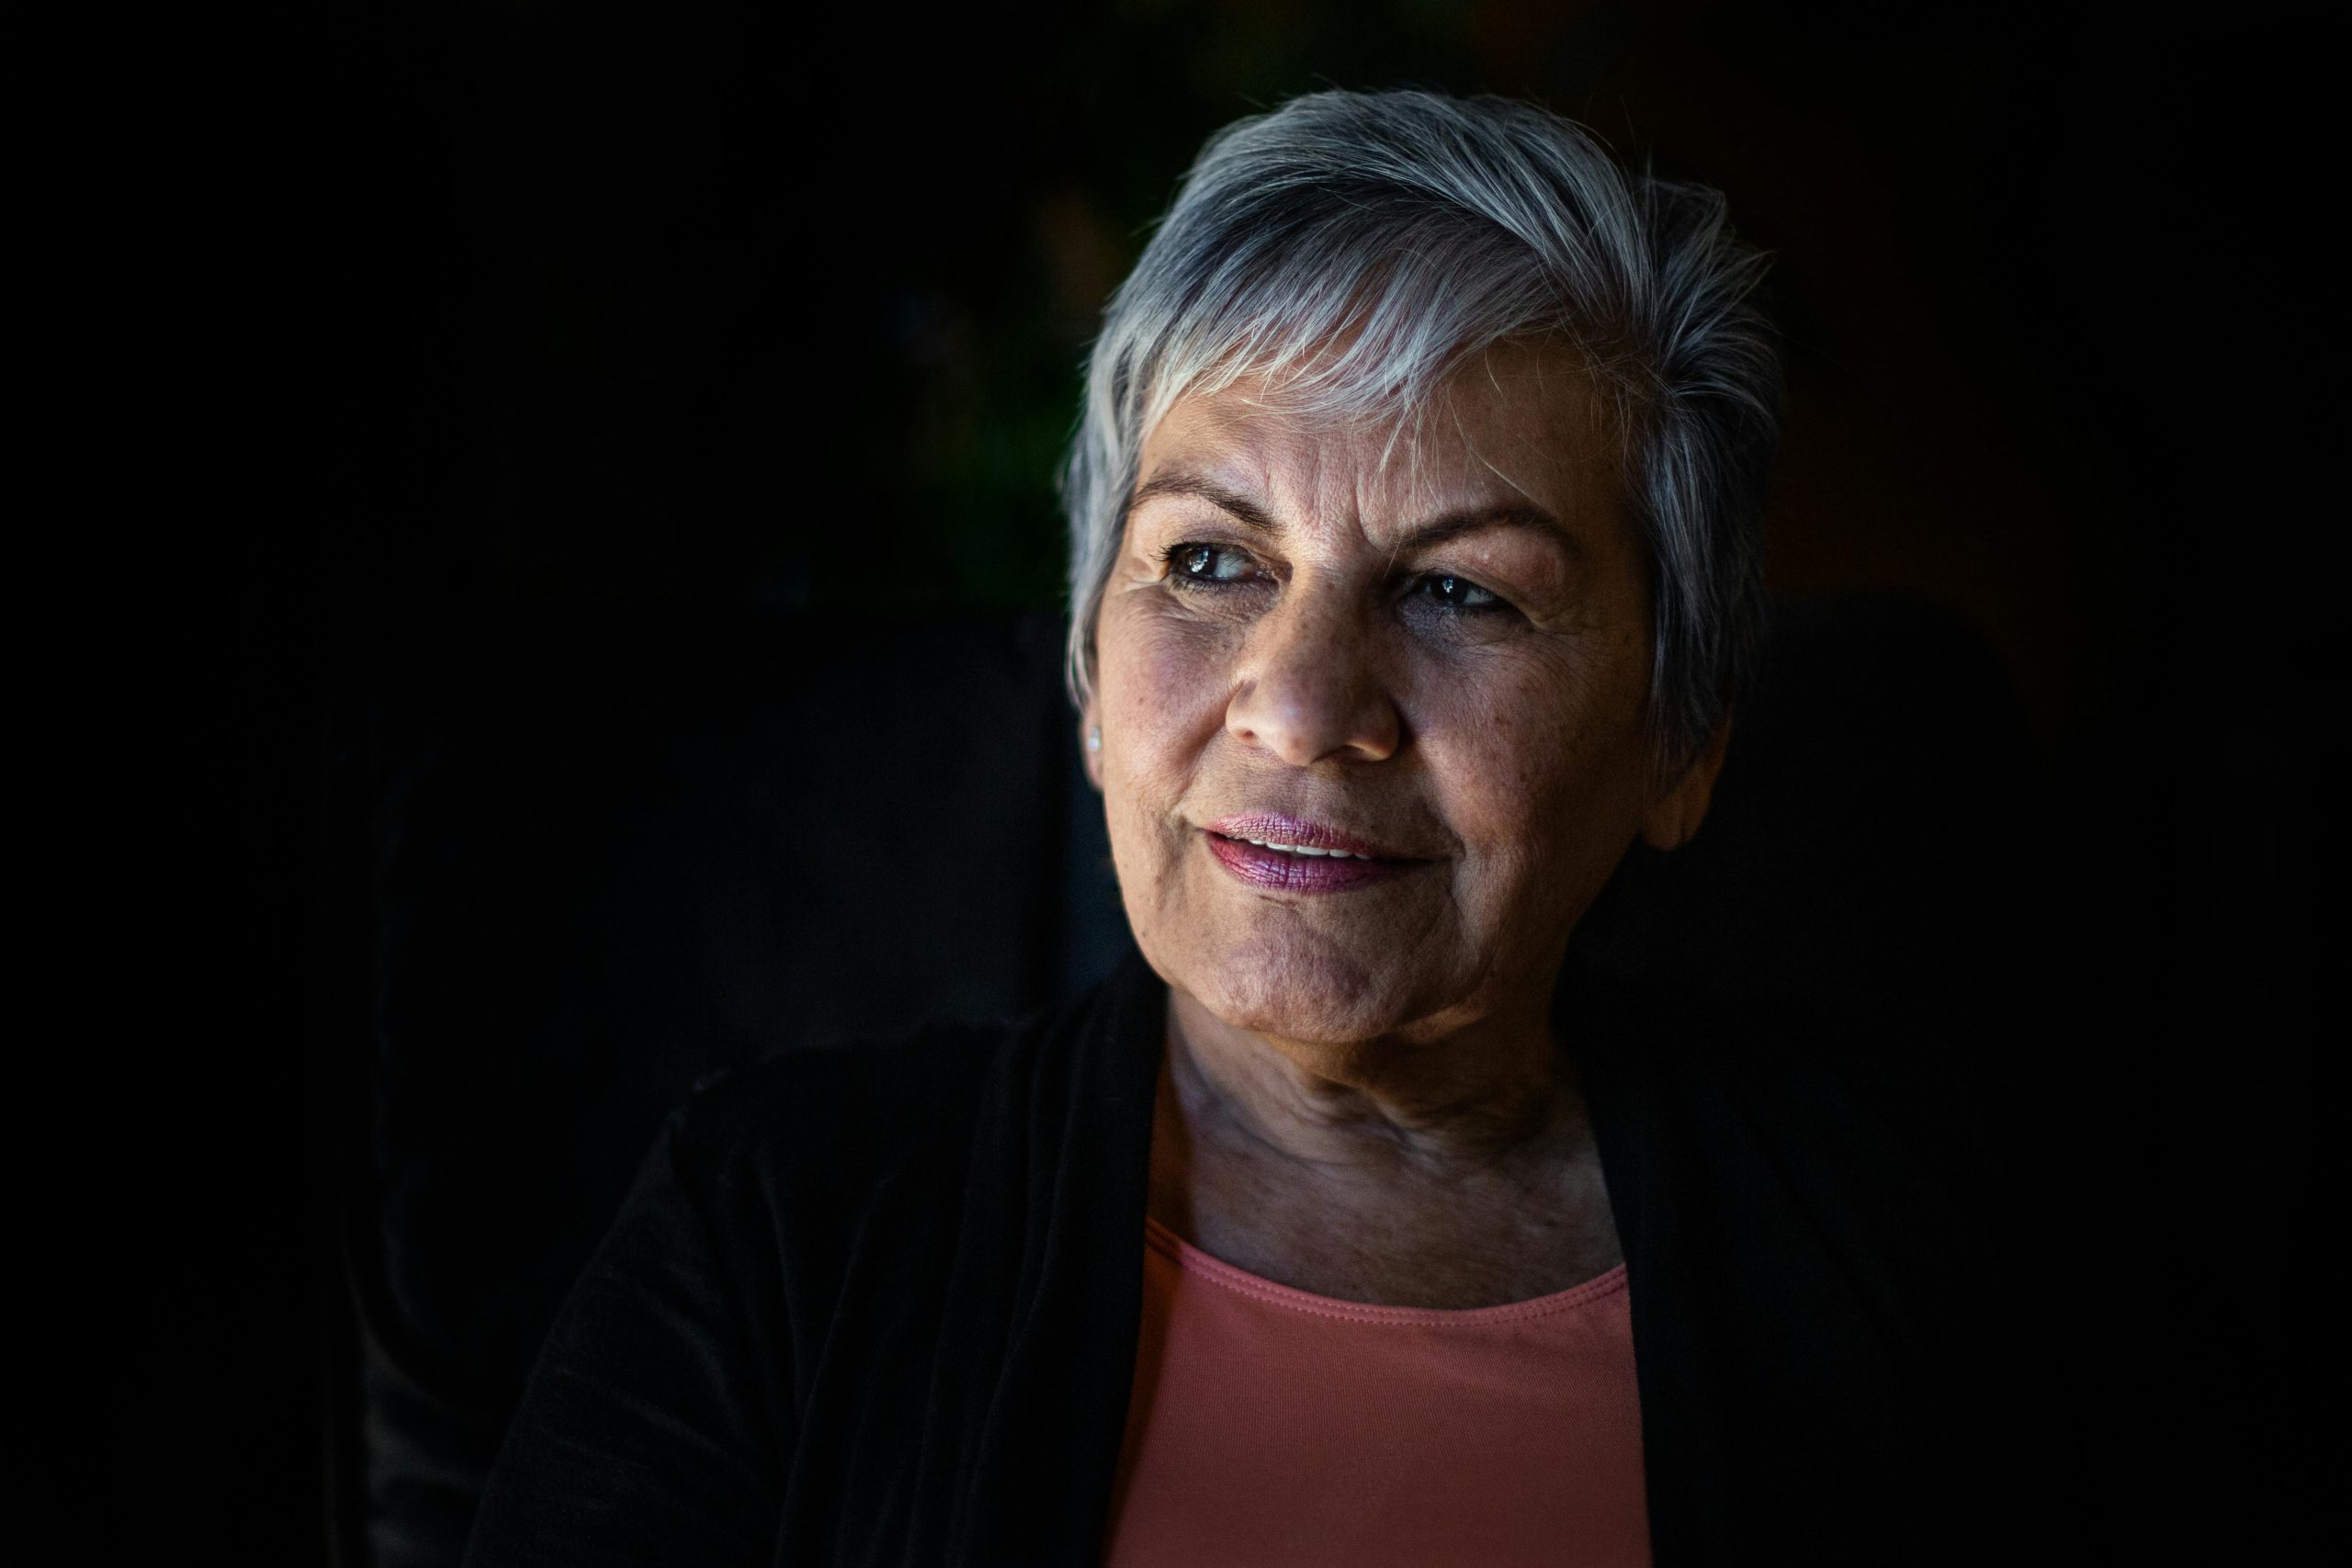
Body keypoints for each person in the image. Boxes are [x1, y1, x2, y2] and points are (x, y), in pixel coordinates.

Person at [462, 89, 2041, 1566]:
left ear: (1681, 740)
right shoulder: (778, 1228)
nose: (1296, 708)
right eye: (1210, 564)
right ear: (1089, 670)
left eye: (1459, 590)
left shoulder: (1931, 1253)